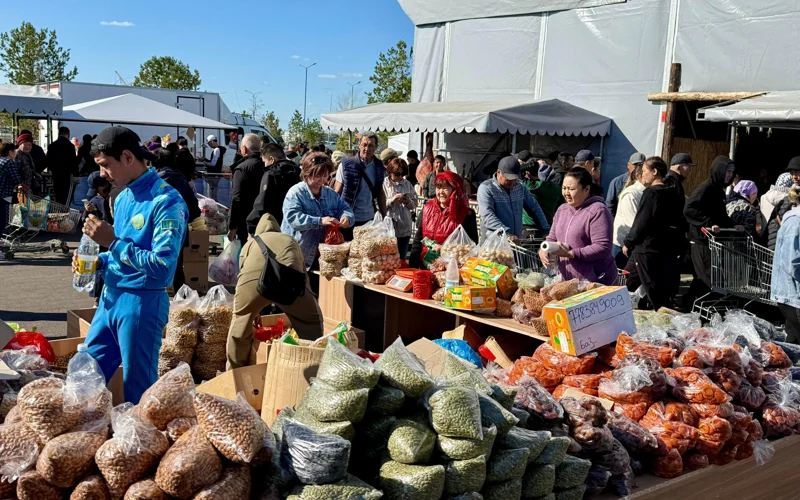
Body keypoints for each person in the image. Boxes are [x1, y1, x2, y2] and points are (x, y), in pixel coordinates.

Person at [74, 126, 188, 403]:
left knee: (138, 390)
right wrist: (96, 260)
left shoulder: (167, 201)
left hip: (141, 303)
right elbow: (120, 252)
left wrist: (112, 242)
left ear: (127, 157)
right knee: (83, 377)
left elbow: (162, 266)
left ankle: (139, 444)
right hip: (109, 298)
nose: (102, 174)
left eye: (105, 165)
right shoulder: (122, 196)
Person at [227, 214, 324, 369]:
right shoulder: (289, 239)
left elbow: (243, 275)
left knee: (239, 327)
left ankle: (234, 373)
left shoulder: (250, 244)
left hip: (253, 283)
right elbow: (303, 274)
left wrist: (252, 311)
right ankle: (314, 367)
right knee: (311, 322)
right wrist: (309, 302)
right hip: (290, 283)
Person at [622, 157, 687, 310]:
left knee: (627, 285)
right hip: (663, 249)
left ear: (655, 172)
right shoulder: (672, 192)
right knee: (655, 290)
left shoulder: (651, 193)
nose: (642, 175)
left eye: (644, 171)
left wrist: (628, 242)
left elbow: (642, 222)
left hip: (646, 248)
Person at [539, 167, 616, 285]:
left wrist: (571, 254)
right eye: (564, 188)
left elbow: (602, 247)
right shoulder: (562, 209)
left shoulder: (598, 210)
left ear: (586, 189)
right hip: (568, 281)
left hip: (593, 281)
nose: (566, 193)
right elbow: (552, 237)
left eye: (571, 189)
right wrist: (544, 250)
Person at [283, 152, 355, 269]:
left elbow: (345, 209)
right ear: (307, 173)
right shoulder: (295, 193)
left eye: (325, 176)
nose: (321, 180)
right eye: (317, 175)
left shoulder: (330, 193)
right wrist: (319, 221)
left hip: (324, 258)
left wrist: (346, 218)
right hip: (298, 257)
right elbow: (293, 218)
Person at [684, 156, 742, 299]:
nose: (729, 175)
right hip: (701, 240)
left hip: (712, 241)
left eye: (732, 172)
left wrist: (734, 225)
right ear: (719, 170)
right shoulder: (705, 188)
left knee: (708, 277)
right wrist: (708, 224)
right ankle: (701, 309)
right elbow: (689, 209)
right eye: (727, 171)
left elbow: (721, 216)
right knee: (708, 278)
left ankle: (690, 304)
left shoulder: (718, 190)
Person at [153, 148, 201, 292]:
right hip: (179, 230)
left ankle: (159, 296)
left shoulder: (154, 180)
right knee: (177, 265)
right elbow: (194, 209)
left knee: (155, 264)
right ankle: (181, 298)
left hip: (156, 230)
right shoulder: (181, 179)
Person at [409, 171, 479, 269]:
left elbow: (471, 247)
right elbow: (418, 239)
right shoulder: (427, 208)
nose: (440, 192)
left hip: (450, 268)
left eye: (445, 188)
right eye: (438, 188)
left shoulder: (466, 214)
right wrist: (413, 266)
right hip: (426, 266)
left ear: (455, 190)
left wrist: (445, 249)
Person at [478, 156, 550, 242]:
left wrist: (545, 230)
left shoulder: (520, 187)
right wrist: (507, 233)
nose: (512, 182)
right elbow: (487, 215)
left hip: (514, 243)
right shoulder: (487, 188)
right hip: (493, 244)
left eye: (515, 179)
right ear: (498, 172)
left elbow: (534, 208)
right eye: (508, 179)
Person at [334, 132, 386, 240]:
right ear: (359, 145)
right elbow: (337, 192)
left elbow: (380, 192)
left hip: (369, 220)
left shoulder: (379, 166)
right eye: (364, 144)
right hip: (348, 219)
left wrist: (384, 216)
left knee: (366, 253)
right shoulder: (345, 165)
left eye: (371, 145)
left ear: (376, 147)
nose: (367, 148)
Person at [247, 143, 302, 233]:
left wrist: (251, 225)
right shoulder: (299, 172)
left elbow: (261, 204)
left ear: (272, 159)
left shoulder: (271, 174)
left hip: (273, 225)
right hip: (295, 225)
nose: (264, 165)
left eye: (264, 161)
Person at [771, 186, 800, 344]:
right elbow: (792, 261)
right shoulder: (795, 222)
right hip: (792, 294)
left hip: (792, 295)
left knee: (793, 342)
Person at [227, 133, 264, 245]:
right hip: (266, 220)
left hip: (246, 221)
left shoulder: (242, 168)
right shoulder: (267, 165)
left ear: (244, 148)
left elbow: (237, 198)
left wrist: (232, 226)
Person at [612, 162, 646, 268]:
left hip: (636, 244)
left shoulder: (646, 192)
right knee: (623, 281)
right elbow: (632, 224)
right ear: (639, 175)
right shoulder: (631, 194)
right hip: (624, 245)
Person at [383, 158, 418, 259]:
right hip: (389, 229)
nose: (400, 177)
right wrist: (391, 201)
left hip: (404, 228)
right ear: (390, 172)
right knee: (388, 260)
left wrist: (407, 201)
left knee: (401, 259)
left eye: (402, 175)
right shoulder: (384, 184)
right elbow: (378, 205)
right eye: (397, 174)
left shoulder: (407, 184)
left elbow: (414, 204)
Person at [765, 168, 799, 251]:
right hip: (785, 244)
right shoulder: (788, 198)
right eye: (792, 173)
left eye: (797, 172)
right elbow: (776, 223)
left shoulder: (788, 197)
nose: (794, 176)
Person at [520, 158, 563, 225]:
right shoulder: (556, 188)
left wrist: (526, 166)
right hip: (548, 226)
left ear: (528, 174)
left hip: (527, 227)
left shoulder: (528, 186)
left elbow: (514, 172)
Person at [46, 126, 80, 204]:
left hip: (55, 174)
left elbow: (48, 160)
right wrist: (76, 174)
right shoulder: (70, 146)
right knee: (67, 196)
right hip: (67, 175)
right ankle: (64, 211)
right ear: (68, 135)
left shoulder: (52, 145)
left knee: (58, 194)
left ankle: (59, 209)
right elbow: (73, 162)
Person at [0, 142, 21, 227]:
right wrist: (20, 185)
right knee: (2, 220)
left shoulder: (1, 160)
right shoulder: (9, 162)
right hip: (4, 194)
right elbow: (15, 179)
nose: (16, 153)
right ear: (10, 152)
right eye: (14, 151)